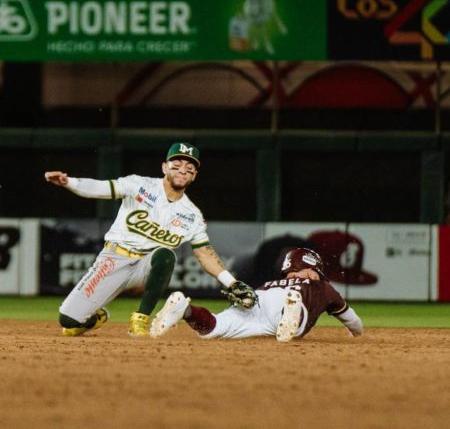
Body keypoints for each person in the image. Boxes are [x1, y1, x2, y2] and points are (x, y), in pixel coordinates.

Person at [44, 141, 256, 337]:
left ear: (194, 176)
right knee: (68, 320)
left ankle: (141, 318)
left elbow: (205, 254)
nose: (183, 169)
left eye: (190, 168)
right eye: (177, 164)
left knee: (165, 255)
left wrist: (231, 282)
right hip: (114, 258)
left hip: (145, 266)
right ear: (164, 167)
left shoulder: (192, 215)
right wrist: (68, 182)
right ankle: (96, 317)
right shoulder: (139, 185)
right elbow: (101, 188)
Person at [149, 247, 363, 342]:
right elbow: (354, 322)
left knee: (212, 329)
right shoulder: (322, 288)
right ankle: (292, 311)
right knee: (295, 328)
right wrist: (355, 333)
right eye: (317, 271)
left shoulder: (270, 283)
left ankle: (185, 310)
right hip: (286, 306)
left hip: (257, 300)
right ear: (310, 269)